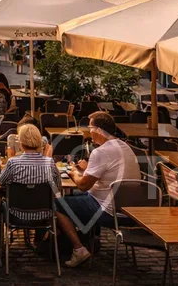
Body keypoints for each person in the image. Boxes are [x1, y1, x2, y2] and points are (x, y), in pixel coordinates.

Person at [56, 111, 140, 267]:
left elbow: (83, 186)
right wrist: (88, 169)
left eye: (90, 128)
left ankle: (79, 249)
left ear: (99, 130)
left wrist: (73, 172)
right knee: (77, 197)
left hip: (108, 212)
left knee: (58, 204)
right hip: (130, 211)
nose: (89, 132)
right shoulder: (126, 147)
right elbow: (110, 172)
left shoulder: (100, 152)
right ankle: (91, 240)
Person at [0, 124, 61, 219]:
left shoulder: (12, 163)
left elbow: (1, 182)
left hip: (17, 216)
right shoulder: (50, 163)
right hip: (44, 216)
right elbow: (57, 186)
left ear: (21, 142)